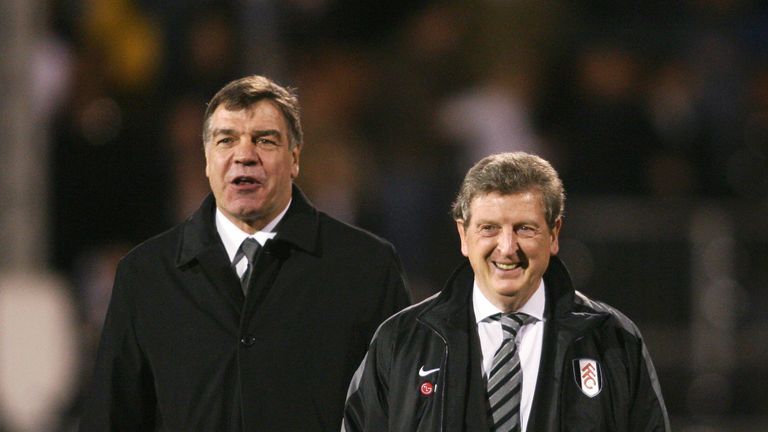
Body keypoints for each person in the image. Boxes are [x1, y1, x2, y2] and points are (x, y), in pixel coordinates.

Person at [79, 75, 410, 431]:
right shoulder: (146, 275)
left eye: (264, 141)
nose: (244, 155)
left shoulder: (366, 267)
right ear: (207, 161)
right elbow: (111, 418)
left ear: (295, 158)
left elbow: (406, 410)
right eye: (226, 140)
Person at [343, 152, 669, 431]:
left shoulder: (614, 341)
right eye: (490, 228)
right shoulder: (401, 341)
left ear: (554, 233)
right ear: (463, 235)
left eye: (524, 228)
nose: (507, 247)